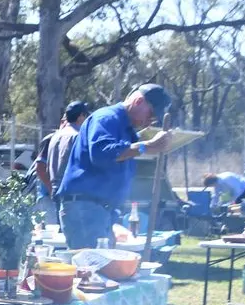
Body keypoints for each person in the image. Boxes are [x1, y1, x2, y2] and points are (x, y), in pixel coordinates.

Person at [56, 84, 175, 249]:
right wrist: (146, 146)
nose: (150, 122)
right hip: (86, 208)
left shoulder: (126, 129)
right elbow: (101, 154)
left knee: (103, 269)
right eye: (151, 115)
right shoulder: (107, 118)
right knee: (90, 268)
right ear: (139, 101)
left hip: (100, 210)